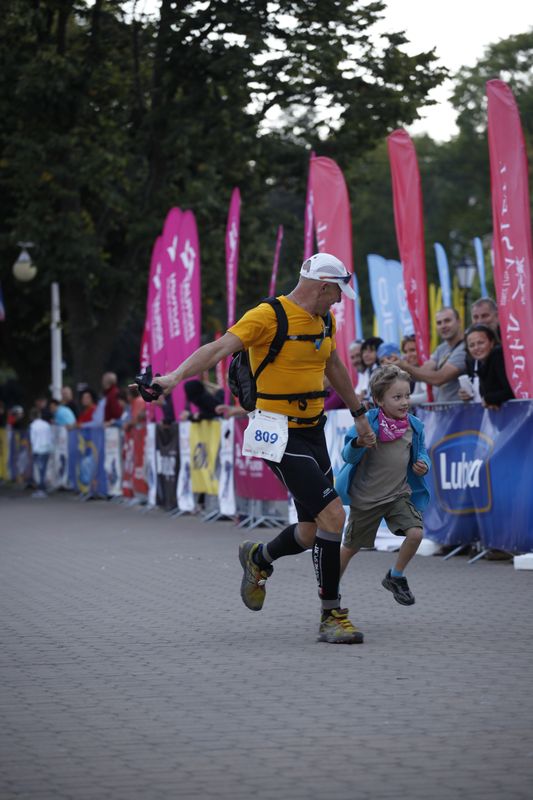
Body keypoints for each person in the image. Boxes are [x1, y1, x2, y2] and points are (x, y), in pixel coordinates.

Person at [134, 252, 376, 644]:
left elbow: (333, 365)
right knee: (334, 516)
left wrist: (359, 413)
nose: (338, 301)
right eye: (337, 293)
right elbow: (217, 349)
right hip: (277, 432)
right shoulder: (268, 316)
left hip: (313, 429)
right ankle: (331, 615)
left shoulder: (324, 320)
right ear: (322, 287)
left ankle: (258, 558)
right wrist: (173, 377)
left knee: (310, 532)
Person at [336, 365, 430, 605]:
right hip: (366, 500)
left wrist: (424, 464)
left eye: (407, 395)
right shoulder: (368, 422)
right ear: (379, 400)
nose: (405, 402)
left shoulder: (414, 425)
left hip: (398, 495)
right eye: (397, 397)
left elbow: (422, 452)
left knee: (416, 533)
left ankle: (395, 576)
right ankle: (330, 589)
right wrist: (359, 442)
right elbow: (347, 455)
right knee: (350, 548)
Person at [392, 308, 466, 402]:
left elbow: (439, 378)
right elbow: (422, 372)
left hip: (462, 409)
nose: (443, 326)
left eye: (447, 321)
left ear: (459, 321)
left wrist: (406, 367)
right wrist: (395, 367)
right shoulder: (441, 348)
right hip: (444, 410)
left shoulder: (465, 348)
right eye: (439, 323)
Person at [459, 324, 514, 409]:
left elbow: (512, 391)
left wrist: (489, 399)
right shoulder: (473, 362)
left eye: (481, 343)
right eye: (472, 345)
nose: (476, 348)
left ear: (492, 343)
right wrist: (466, 394)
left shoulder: (498, 356)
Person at [29, 407, 53, 497]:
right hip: (46, 448)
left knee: (39, 471)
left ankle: (41, 489)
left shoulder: (33, 426)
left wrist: (32, 449)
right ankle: (43, 487)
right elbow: (50, 436)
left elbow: (32, 438)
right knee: (44, 469)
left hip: (38, 449)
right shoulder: (46, 424)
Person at [401, 335, 428, 406]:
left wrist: (399, 400)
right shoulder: (406, 372)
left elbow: (428, 396)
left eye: (412, 350)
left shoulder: (429, 367)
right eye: (405, 352)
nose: (408, 355)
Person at [355, 336, 383, 405]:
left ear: (380, 351)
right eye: (364, 352)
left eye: (370, 351)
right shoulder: (367, 371)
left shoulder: (382, 371)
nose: (365, 355)